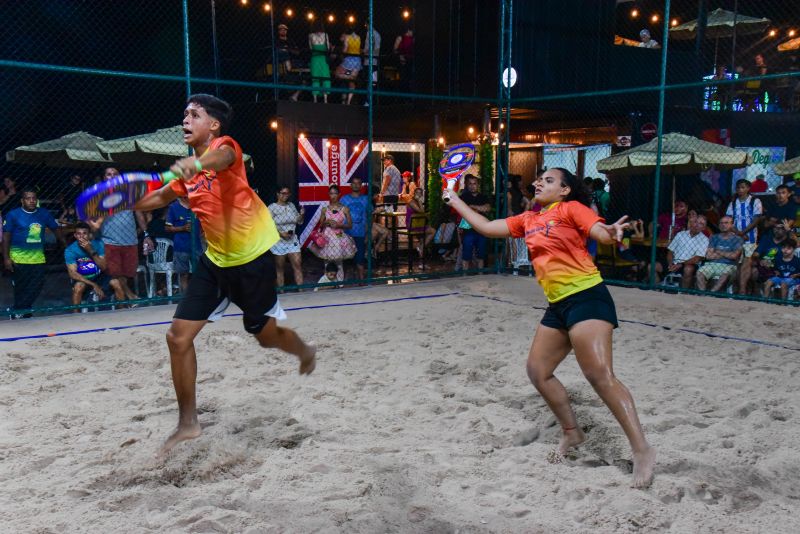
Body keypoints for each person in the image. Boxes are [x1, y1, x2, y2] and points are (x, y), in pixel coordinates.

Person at [442, 167, 655, 488]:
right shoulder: (528, 218)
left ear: (565, 190)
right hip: (558, 305)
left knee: (599, 374)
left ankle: (642, 450)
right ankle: (573, 433)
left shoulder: (571, 209)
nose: (540, 182)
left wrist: (610, 232)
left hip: (586, 296)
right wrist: (455, 199)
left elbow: (598, 231)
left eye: (550, 180)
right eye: (539, 179)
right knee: (538, 371)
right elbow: (485, 226)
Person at [133, 94, 316, 458]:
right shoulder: (188, 179)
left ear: (213, 124)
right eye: (184, 113)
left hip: (251, 261)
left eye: (194, 115)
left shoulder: (223, 148)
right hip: (215, 263)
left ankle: (303, 350)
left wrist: (195, 164)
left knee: (264, 336)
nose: (185, 119)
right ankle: (188, 423)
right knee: (178, 338)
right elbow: (155, 200)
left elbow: (220, 158)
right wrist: (125, 200)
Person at [88, 167, 147, 303]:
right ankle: (130, 297)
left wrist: (146, 233)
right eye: (109, 174)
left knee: (127, 273)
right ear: (104, 178)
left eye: (115, 174)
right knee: (116, 272)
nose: (112, 176)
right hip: (110, 240)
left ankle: (123, 298)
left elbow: (139, 214)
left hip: (130, 240)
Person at [3, 188, 64, 318]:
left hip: (38, 258)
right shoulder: (13, 214)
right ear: (22, 201)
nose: (31, 201)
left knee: (37, 285)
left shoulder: (43, 213)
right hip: (18, 258)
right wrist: (6, 258)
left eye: (33, 198)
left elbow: (56, 228)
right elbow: (6, 237)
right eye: (28, 198)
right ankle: (23, 312)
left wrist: (64, 243)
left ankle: (17, 310)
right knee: (21, 287)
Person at [64, 222, 123, 311]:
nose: (82, 237)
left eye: (85, 233)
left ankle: (122, 311)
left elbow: (103, 267)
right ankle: (75, 316)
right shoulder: (70, 250)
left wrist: (91, 250)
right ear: (75, 235)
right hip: (83, 278)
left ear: (89, 235)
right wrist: (93, 284)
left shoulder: (98, 244)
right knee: (78, 287)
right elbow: (73, 274)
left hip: (99, 276)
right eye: (79, 234)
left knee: (116, 283)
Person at [308, 184, 357, 281]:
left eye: (335, 193)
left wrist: (339, 225)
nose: (333, 196)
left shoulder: (344, 209)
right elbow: (321, 225)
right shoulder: (325, 209)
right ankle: (327, 282)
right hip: (327, 238)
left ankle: (339, 283)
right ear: (328, 194)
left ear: (339, 194)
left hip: (339, 238)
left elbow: (350, 225)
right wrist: (326, 222)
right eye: (331, 194)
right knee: (327, 261)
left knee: (339, 262)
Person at [651, 214, 710, 288]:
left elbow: (697, 258)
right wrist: (670, 263)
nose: (697, 225)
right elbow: (670, 251)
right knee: (652, 266)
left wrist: (680, 264)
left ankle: (683, 293)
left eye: (701, 224)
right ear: (691, 223)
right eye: (696, 222)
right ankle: (656, 289)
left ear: (704, 228)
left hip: (688, 264)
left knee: (688, 269)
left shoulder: (705, 240)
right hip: (673, 262)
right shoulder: (680, 234)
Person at [267, 187, 305, 288]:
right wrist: (280, 233)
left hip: (292, 240)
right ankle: (281, 291)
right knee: (279, 267)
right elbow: (267, 225)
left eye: (287, 193)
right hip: (279, 241)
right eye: (282, 193)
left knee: (297, 265)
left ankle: (301, 291)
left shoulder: (291, 205)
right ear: (277, 194)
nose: (285, 195)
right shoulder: (272, 207)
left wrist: (301, 215)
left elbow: (299, 221)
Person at [739, 220, 789, 295]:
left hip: (777, 267)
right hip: (763, 265)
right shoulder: (767, 238)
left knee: (753, 271)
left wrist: (789, 230)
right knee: (748, 260)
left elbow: (797, 244)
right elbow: (756, 254)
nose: (777, 230)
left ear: (785, 230)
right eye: (775, 228)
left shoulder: (788, 241)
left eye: (780, 228)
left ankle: (754, 290)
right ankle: (742, 291)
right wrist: (760, 261)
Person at [695, 215, 743, 292]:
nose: (723, 225)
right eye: (721, 223)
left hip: (729, 266)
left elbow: (734, 256)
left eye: (726, 223)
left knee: (725, 275)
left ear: (732, 225)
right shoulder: (714, 237)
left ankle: (711, 293)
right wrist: (727, 254)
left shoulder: (738, 239)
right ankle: (702, 294)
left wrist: (718, 251)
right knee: (699, 273)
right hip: (711, 264)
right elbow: (708, 256)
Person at [166, 197, 204, 293]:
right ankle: (186, 297)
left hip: (197, 245)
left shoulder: (197, 205)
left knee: (200, 273)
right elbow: (167, 228)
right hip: (181, 246)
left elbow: (203, 224)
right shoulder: (173, 207)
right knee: (183, 274)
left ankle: (199, 295)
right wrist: (182, 228)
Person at [726, 178, 763, 271]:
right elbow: (728, 221)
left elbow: (756, 220)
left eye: (743, 187)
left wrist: (742, 232)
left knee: (747, 262)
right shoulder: (733, 203)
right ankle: (734, 283)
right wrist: (739, 234)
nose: (740, 190)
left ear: (748, 188)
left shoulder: (755, 201)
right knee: (736, 261)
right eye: (738, 188)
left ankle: (744, 284)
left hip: (750, 237)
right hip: (736, 237)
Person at [459, 174, 491, 270]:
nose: (472, 186)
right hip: (468, 229)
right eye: (470, 184)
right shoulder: (463, 197)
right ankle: (465, 277)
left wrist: (473, 207)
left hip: (481, 229)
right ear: (467, 185)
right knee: (466, 256)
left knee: (481, 255)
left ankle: (480, 275)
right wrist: (479, 209)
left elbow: (487, 208)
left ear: (478, 185)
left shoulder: (483, 197)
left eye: (475, 184)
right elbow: (464, 210)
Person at [339, 177, 369, 280]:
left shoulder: (366, 199)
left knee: (360, 258)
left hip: (361, 233)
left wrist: (367, 231)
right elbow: (339, 216)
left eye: (358, 183)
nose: (356, 185)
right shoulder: (344, 199)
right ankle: (342, 280)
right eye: (354, 183)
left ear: (361, 185)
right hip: (347, 233)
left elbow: (370, 216)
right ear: (350, 185)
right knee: (345, 258)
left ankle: (361, 280)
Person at [406, 188, 435, 259]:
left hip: (419, 225)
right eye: (417, 193)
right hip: (412, 225)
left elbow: (422, 212)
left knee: (432, 231)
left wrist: (419, 201)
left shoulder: (418, 202)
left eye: (420, 193)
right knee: (423, 238)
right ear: (414, 194)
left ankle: (421, 250)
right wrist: (419, 200)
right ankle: (421, 248)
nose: (418, 194)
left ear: (422, 194)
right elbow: (421, 211)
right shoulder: (411, 202)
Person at [336, 26, 362, 105]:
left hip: (349, 60)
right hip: (357, 61)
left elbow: (345, 50)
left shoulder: (347, 37)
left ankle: (349, 76)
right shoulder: (358, 38)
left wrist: (343, 50)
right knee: (352, 82)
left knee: (337, 73)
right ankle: (348, 102)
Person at [308, 20, 331, 103]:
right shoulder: (325, 35)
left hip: (315, 58)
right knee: (325, 77)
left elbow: (311, 48)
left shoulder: (310, 35)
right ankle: (325, 99)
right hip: (323, 59)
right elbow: (328, 47)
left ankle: (315, 99)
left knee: (315, 78)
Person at [362, 23, 381, 92]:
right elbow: (376, 48)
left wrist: (365, 52)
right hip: (373, 61)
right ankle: (370, 100)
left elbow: (374, 48)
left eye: (366, 25)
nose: (365, 27)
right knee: (372, 82)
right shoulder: (377, 34)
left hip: (370, 61)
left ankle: (368, 100)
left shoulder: (370, 33)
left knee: (369, 82)